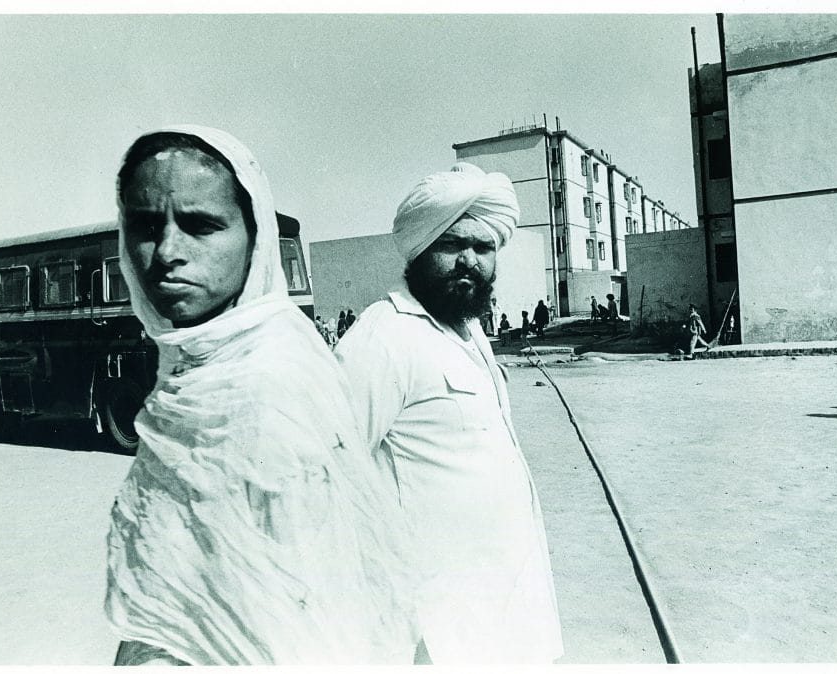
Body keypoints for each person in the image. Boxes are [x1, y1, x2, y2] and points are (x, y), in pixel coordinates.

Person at [104, 126, 416, 666]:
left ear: (254, 237)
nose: (167, 253)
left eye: (201, 226)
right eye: (146, 226)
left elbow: (309, 604)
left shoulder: (273, 378)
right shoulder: (193, 361)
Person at [334, 162, 562, 664]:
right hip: (434, 622)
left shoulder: (470, 332)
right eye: (451, 244)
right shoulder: (384, 336)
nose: (468, 261)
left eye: (483, 249)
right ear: (420, 250)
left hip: (504, 602)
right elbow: (323, 471)